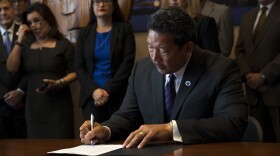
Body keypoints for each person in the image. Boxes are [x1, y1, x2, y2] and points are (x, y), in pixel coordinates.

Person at [79, 6, 248, 148]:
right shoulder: (142, 69)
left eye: (163, 50)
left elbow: (232, 123)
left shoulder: (222, 69)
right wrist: (106, 130)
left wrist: (170, 129)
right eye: (150, 47)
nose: (154, 57)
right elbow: (127, 116)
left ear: (188, 48)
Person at [7, 2, 76, 139]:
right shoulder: (26, 46)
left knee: (60, 147)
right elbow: (11, 67)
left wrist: (59, 82)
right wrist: (20, 39)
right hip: (34, 108)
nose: (33, 25)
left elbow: (75, 72)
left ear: (48, 19)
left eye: (37, 20)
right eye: (30, 22)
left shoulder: (63, 45)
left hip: (59, 106)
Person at [74, 0, 135, 123]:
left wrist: (107, 90)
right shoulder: (84, 33)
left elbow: (127, 64)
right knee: (93, 138)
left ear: (113, 6)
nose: (101, 4)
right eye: (97, 2)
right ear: (92, 7)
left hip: (118, 96)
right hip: (91, 97)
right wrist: (94, 90)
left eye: (105, 1)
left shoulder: (125, 29)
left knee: (120, 138)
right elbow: (79, 66)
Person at [235, 0, 280, 142]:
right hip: (253, 94)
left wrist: (264, 76)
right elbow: (240, 50)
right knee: (258, 146)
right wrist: (248, 75)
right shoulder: (248, 16)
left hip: (276, 91)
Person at [0, 0, 26, 139]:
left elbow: (32, 66)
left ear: (13, 9)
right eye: (0, 10)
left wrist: (20, 91)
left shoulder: (26, 31)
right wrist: (8, 97)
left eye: (6, 8)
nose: (3, 13)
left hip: (25, 103)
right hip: (1, 104)